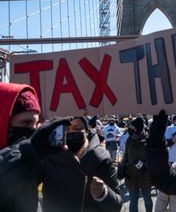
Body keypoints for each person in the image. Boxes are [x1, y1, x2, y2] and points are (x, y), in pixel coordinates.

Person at [0, 82, 71, 212]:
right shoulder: (25, 158)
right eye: (26, 122)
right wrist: (28, 152)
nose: (33, 131)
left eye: (36, 124)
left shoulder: (28, 164)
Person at [42, 116, 123, 212]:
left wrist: (103, 194)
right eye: (66, 129)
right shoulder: (48, 158)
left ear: (87, 130)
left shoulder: (102, 160)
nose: (71, 132)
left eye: (77, 128)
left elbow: (117, 206)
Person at [120, 116, 153, 212]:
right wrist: (122, 166)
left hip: (145, 175)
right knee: (133, 201)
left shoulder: (148, 139)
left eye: (132, 126)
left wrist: (144, 165)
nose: (130, 128)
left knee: (147, 200)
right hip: (131, 175)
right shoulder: (129, 139)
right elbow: (126, 154)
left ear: (137, 127)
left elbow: (153, 158)